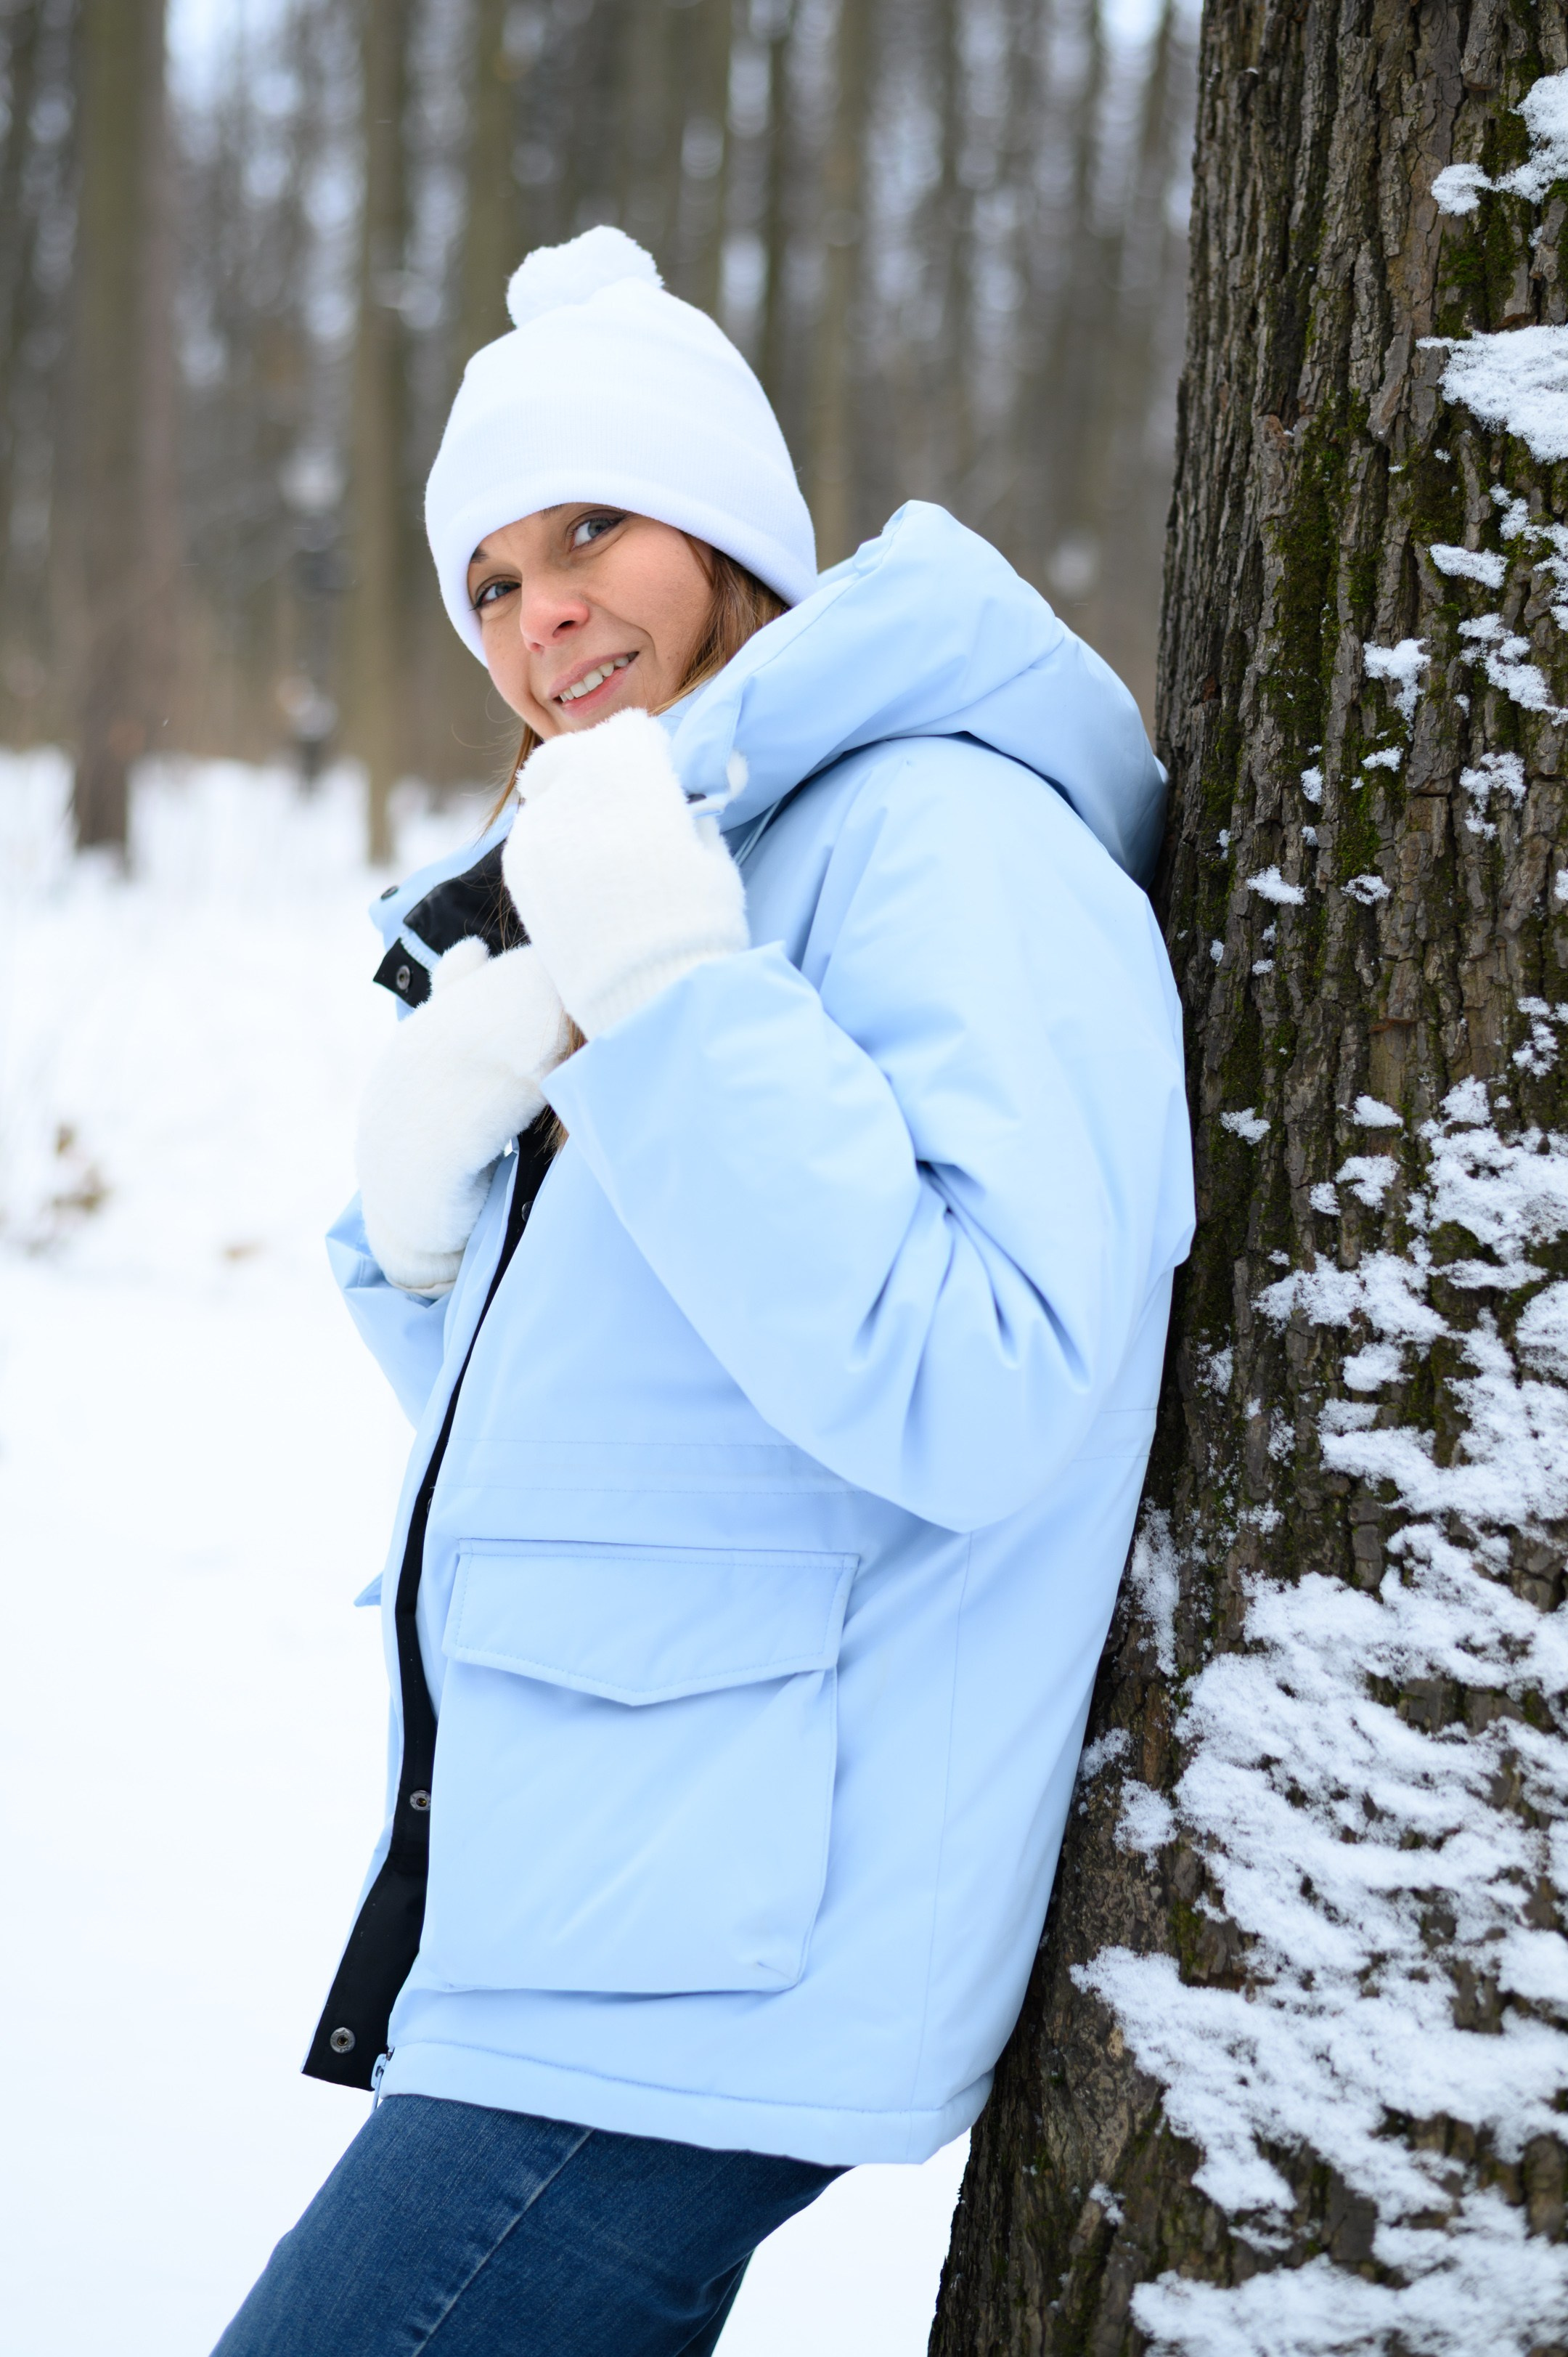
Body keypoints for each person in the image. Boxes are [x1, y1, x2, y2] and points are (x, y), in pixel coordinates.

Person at [215, 225, 1193, 2357]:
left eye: (592, 531)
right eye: (488, 580)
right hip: (605, 1913)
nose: (542, 610)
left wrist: (670, 1001)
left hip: (719, 1953)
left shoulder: (942, 834)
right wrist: (421, 1229)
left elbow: (991, 1383)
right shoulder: (669, 850)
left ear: (735, 535)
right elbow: (649, 1421)